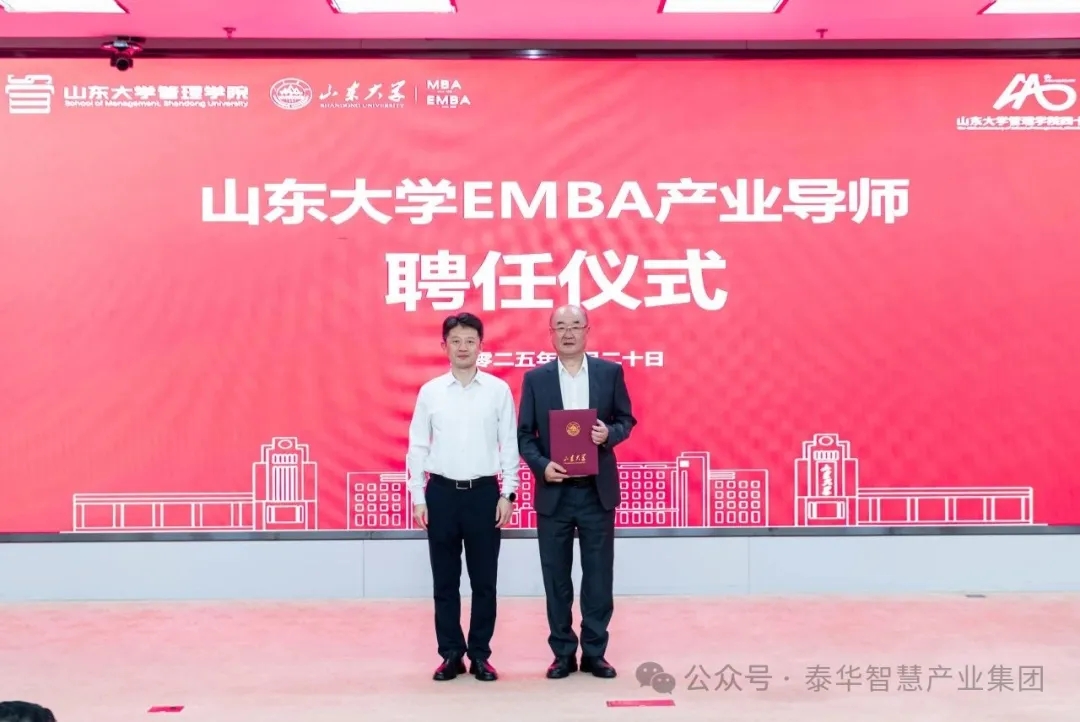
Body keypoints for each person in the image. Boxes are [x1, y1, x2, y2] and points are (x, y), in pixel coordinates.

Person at [517, 305, 636, 680]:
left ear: (587, 330)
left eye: (575, 326)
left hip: (596, 492)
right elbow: (525, 436)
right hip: (555, 491)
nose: (568, 333)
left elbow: (626, 420)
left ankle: (595, 652)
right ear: (551, 334)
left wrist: (609, 434)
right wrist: (541, 465)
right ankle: (563, 653)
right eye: (561, 327)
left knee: (598, 576)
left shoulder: (609, 373)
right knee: (556, 577)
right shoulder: (535, 379)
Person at [407, 312, 520, 682]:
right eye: (455, 341)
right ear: (444, 346)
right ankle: (451, 654)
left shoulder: (498, 391)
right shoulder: (431, 392)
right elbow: (417, 446)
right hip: (440, 494)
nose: (463, 347)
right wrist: (418, 496)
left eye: (470, 340)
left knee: (485, 582)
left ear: (481, 346)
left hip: (484, 495)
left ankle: (481, 655)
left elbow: (509, 445)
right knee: (445, 582)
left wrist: (508, 493)